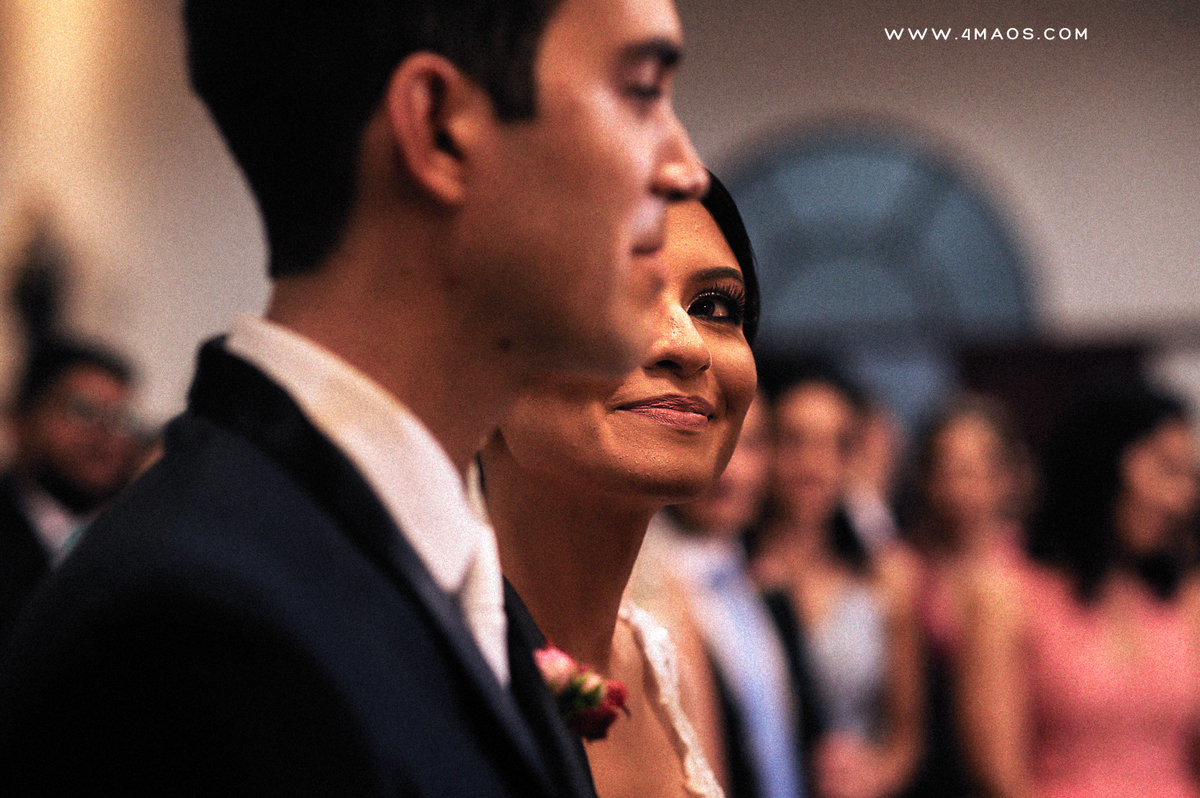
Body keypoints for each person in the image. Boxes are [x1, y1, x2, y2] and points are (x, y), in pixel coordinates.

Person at [0, 0, 708, 794]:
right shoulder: (201, 630)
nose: (685, 167)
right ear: (439, 128)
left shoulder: (423, 559)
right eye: (643, 92)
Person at [479, 173, 758, 798]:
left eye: (716, 307)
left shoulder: (656, 663)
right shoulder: (405, 666)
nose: (687, 345)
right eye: (620, 291)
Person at [958, 384, 1200, 798]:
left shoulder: (1184, 598)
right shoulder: (1007, 593)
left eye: (1187, 477)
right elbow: (1002, 777)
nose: (1180, 498)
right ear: (1105, 463)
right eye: (1165, 469)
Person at [752, 361, 924, 798]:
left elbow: (905, 735)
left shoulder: (886, 576)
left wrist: (873, 778)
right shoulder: (733, 573)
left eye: (834, 446)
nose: (813, 464)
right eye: (794, 442)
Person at [641, 390, 809, 798]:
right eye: (708, 441)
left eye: (749, 445)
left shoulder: (768, 589)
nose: (732, 472)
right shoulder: (645, 593)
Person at [902, 394, 1033, 798]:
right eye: (946, 472)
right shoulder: (908, 571)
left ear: (1005, 477)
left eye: (974, 472)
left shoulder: (1030, 571)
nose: (959, 490)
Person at [0, 339, 144, 647]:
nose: (106, 433)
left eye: (122, 419)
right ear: (21, 418)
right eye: (83, 410)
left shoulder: (140, 542)